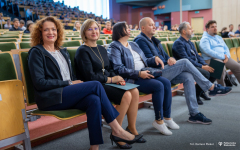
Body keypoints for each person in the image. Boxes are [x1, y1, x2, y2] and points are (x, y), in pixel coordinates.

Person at [28, 16, 142, 150]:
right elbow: (40, 83)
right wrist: (69, 83)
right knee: (95, 84)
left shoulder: (62, 52)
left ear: (58, 31)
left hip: (65, 94)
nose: (51, 32)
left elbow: (70, 76)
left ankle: (94, 147)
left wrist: (74, 82)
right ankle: (117, 130)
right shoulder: (37, 52)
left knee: (93, 100)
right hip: (50, 97)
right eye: (46, 30)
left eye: (53, 29)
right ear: (39, 33)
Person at [133, 17, 232, 125]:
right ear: (142, 28)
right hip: (155, 73)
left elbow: (166, 57)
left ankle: (194, 114)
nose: (154, 26)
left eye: (153, 24)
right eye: (151, 25)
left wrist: (170, 59)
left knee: (188, 76)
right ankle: (211, 87)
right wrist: (167, 61)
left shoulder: (155, 41)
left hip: (165, 70)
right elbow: (149, 61)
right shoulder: (140, 41)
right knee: (184, 62)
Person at [75, 19, 146, 149]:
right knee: (126, 95)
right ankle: (117, 133)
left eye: (96, 28)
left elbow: (109, 69)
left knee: (134, 91)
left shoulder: (101, 48)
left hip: (107, 82)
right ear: (84, 33)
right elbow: (90, 76)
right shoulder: (82, 51)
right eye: (90, 29)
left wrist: (117, 78)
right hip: (94, 86)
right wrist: (112, 80)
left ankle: (131, 128)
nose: (94, 31)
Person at [108, 22, 180, 136]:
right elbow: (119, 68)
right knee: (158, 86)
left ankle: (167, 117)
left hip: (144, 72)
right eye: (126, 28)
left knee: (166, 82)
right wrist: (138, 74)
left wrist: (153, 59)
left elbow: (145, 60)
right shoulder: (114, 46)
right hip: (132, 78)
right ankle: (159, 120)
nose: (129, 29)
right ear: (119, 31)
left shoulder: (132, 44)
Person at [172, 22, 217, 105]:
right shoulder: (178, 43)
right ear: (184, 32)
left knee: (216, 70)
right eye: (190, 28)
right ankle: (196, 95)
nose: (192, 30)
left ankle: (201, 91)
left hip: (195, 65)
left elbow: (198, 56)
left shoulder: (190, 42)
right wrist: (202, 67)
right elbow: (186, 60)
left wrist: (205, 64)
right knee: (206, 73)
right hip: (187, 67)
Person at [200, 20, 240, 86]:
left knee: (238, 67)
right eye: (212, 27)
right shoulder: (204, 39)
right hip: (210, 59)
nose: (215, 28)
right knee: (220, 66)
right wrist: (223, 57)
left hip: (223, 57)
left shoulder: (219, 37)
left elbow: (226, 48)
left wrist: (227, 56)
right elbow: (209, 52)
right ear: (207, 29)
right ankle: (222, 87)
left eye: (216, 26)